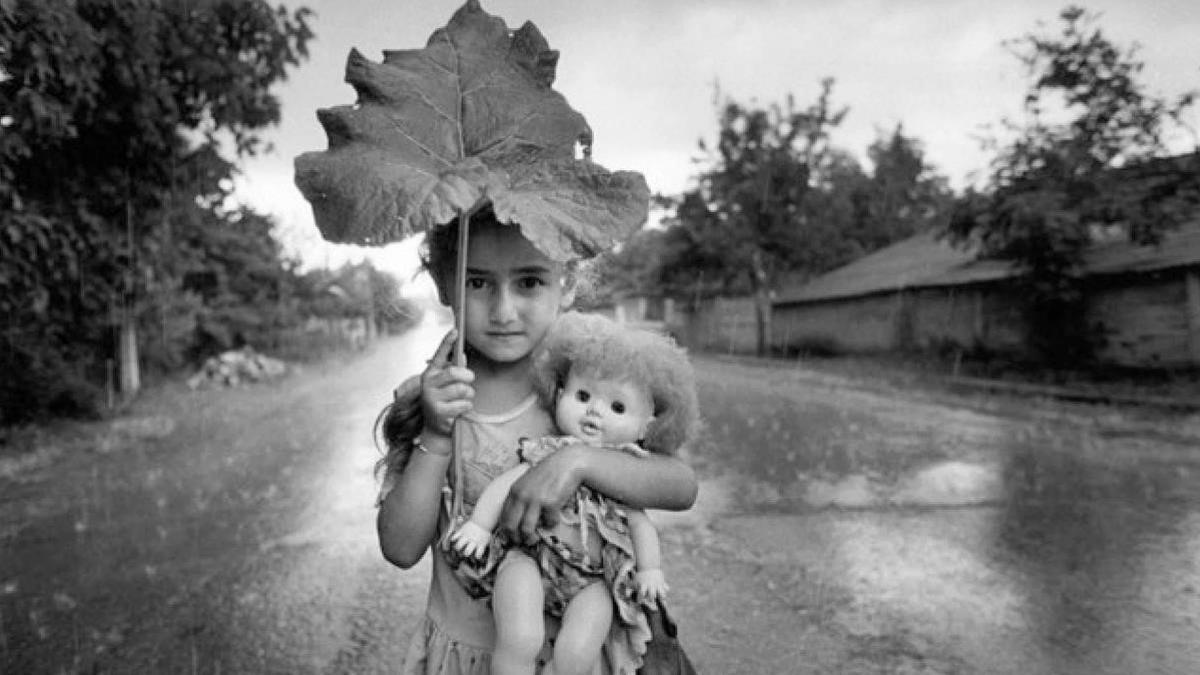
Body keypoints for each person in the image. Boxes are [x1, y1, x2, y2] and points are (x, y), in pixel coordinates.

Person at [375, 208, 698, 675]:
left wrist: (576, 462)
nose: (504, 311)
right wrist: (437, 433)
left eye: (529, 282)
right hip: (470, 657)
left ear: (566, 283)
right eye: (477, 283)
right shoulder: (429, 399)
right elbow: (400, 549)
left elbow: (681, 486)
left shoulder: (586, 390)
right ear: (445, 284)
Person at [445, 311, 700, 675]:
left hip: (592, 579)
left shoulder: (623, 469)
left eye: (617, 407)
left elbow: (639, 521)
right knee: (519, 637)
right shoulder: (546, 451)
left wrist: (649, 568)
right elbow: (510, 484)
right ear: (560, 392)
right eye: (583, 395)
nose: (595, 411)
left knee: (579, 651)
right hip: (531, 560)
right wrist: (480, 526)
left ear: (648, 423)